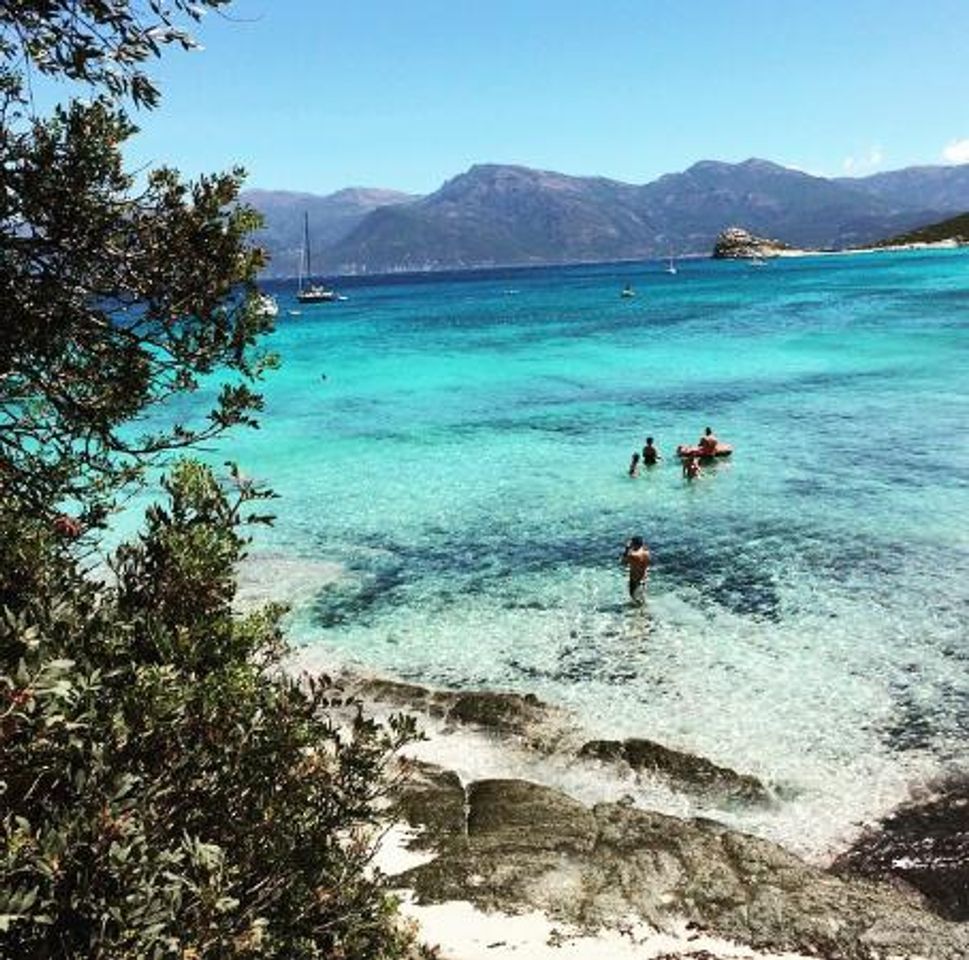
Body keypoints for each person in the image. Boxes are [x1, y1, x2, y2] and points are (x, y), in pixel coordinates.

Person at [621, 536, 651, 603]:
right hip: (643, 579)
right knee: (642, 599)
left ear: (634, 544)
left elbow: (623, 562)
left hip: (635, 580)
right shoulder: (646, 553)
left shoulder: (633, 555)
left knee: (634, 599)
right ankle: (643, 611)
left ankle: (639, 612)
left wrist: (627, 548)